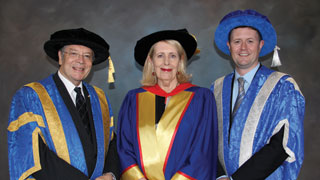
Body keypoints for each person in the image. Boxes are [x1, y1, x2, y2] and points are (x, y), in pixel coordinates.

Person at [7, 28, 119, 180]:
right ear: (60, 57)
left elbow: (111, 142)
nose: (81, 61)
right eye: (73, 53)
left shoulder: (99, 98)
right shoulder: (32, 96)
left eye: (87, 56)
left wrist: (110, 174)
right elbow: (32, 154)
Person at [211, 9, 305, 179]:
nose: (243, 48)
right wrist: (221, 176)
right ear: (228, 45)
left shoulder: (282, 87)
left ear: (261, 45)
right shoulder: (216, 88)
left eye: (250, 41)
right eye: (237, 41)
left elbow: (281, 145)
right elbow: (208, 138)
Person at [117, 29, 218, 179]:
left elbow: (203, 151)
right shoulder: (133, 99)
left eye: (172, 56)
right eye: (160, 56)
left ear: (180, 61)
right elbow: (124, 148)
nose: (166, 62)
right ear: (151, 61)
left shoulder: (201, 98)